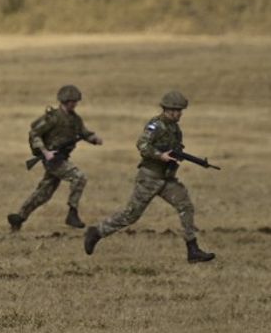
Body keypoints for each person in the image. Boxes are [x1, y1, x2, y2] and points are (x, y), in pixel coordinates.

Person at [84, 91, 215, 263]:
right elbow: (142, 145)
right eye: (177, 110)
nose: (180, 113)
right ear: (168, 109)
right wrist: (160, 156)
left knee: (185, 206)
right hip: (150, 177)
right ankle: (97, 232)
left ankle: (193, 249)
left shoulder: (175, 129)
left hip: (166, 179)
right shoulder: (156, 125)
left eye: (181, 110)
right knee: (131, 215)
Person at [9, 84, 102, 232]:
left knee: (44, 193)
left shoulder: (75, 119)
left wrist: (93, 138)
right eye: (72, 101)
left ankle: (19, 217)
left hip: (61, 157)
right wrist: (45, 152)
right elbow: (35, 133)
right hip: (52, 159)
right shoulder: (53, 118)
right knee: (79, 177)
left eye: (76, 101)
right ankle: (72, 213)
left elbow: (83, 133)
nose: (75, 104)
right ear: (65, 101)